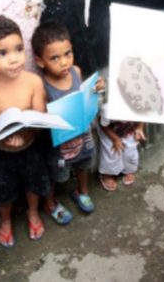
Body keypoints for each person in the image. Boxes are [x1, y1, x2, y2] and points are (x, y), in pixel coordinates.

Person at [0, 15, 50, 247]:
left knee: (33, 181)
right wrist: (5, 138)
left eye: (18, 49)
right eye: (2, 53)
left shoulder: (33, 82)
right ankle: (5, 220)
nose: (14, 59)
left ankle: (33, 212)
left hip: (30, 146)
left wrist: (26, 135)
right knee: (2, 188)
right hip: (0, 150)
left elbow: (38, 119)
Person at [31, 20, 105, 225]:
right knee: (57, 174)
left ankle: (82, 191)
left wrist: (96, 89)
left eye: (68, 54)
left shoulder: (76, 72)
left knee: (84, 163)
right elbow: (41, 116)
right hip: (61, 144)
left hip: (82, 134)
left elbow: (82, 96)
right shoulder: (42, 86)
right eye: (55, 58)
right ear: (40, 61)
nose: (64, 62)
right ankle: (50, 203)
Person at [97, 105, 145, 191]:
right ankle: (107, 173)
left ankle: (129, 169)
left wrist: (139, 128)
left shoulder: (138, 101)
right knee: (112, 152)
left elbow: (143, 115)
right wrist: (115, 139)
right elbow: (103, 125)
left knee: (130, 152)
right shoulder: (107, 108)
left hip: (130, 129)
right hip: (110, 130)